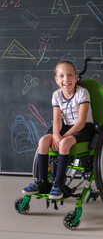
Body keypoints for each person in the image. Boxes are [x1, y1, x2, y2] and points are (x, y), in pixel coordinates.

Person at [22, 60, 95, 199]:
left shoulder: (82, 93)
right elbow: (56, 120)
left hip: (84, 128)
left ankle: (59, 185)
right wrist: (56, 134)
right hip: (65, 127)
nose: (66, 79)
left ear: (76, 77)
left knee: (64, 143)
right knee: (43, 140)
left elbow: (80, 122)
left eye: (70, 75)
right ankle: (42, 182)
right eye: (61, 76)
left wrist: (63, 137)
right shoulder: (56, 95)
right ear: (56, 79)